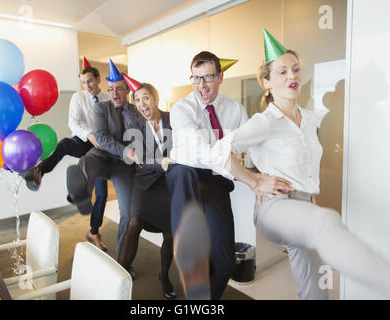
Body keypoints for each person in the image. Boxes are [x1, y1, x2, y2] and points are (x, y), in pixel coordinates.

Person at [211, 29, 390, 299]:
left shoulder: (309, 119)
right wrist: (254, 180)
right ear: (266, 82)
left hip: (305, 207)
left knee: (317, 291)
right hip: (276, 208)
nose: (292, 76)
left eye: (295, 69)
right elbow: (219, 152)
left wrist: (309, 193)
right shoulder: (265, 121)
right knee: (327, 221)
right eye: (282, 72)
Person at [166, 51, 292, 300]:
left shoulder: (235, 109)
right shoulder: (181, 109)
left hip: (217, 180)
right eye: (196, 78)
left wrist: (267, 177)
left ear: (220, 77)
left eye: (208, 77)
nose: (201, 85)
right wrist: (252, 180)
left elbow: (253, 148)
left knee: (224, 263)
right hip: (185, 173)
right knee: (185, 175)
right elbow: (205, 152)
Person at [21, 59, 109, 252]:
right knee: (64, 144)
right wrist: (89, 134)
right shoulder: (78, 97)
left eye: (90, 81)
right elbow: (73, 124)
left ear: (98, 79)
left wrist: (101, 139)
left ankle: (93, 231)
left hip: (102, 148)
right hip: (83, 140)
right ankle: (39, 172)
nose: (87, 86)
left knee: (102, 194)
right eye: (84, 82)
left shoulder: (108, 99)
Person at [66, 59, 141, 278]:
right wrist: (128, 151)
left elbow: (145, 136)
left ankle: (123, 261)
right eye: (111, 89)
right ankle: (80, 189)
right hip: (103, 156)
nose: (115, 93)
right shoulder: (100, 108)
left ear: (127, 89)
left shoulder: (137, 112)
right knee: (89, 162)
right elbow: (102, 138)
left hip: (123, 168)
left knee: (127, 212)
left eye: (119, 89)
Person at [117, 77, 175, 299]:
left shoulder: (173, 119)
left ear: (156, 99)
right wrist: (161, 163)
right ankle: (118, 273)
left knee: (170, 233)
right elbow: (141, 159)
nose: (141, 104)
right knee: (134, 223)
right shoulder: (135, 126)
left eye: (146, 98)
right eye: (137, 100)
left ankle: (164, 276)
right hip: (145, 182)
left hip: (169, 184)